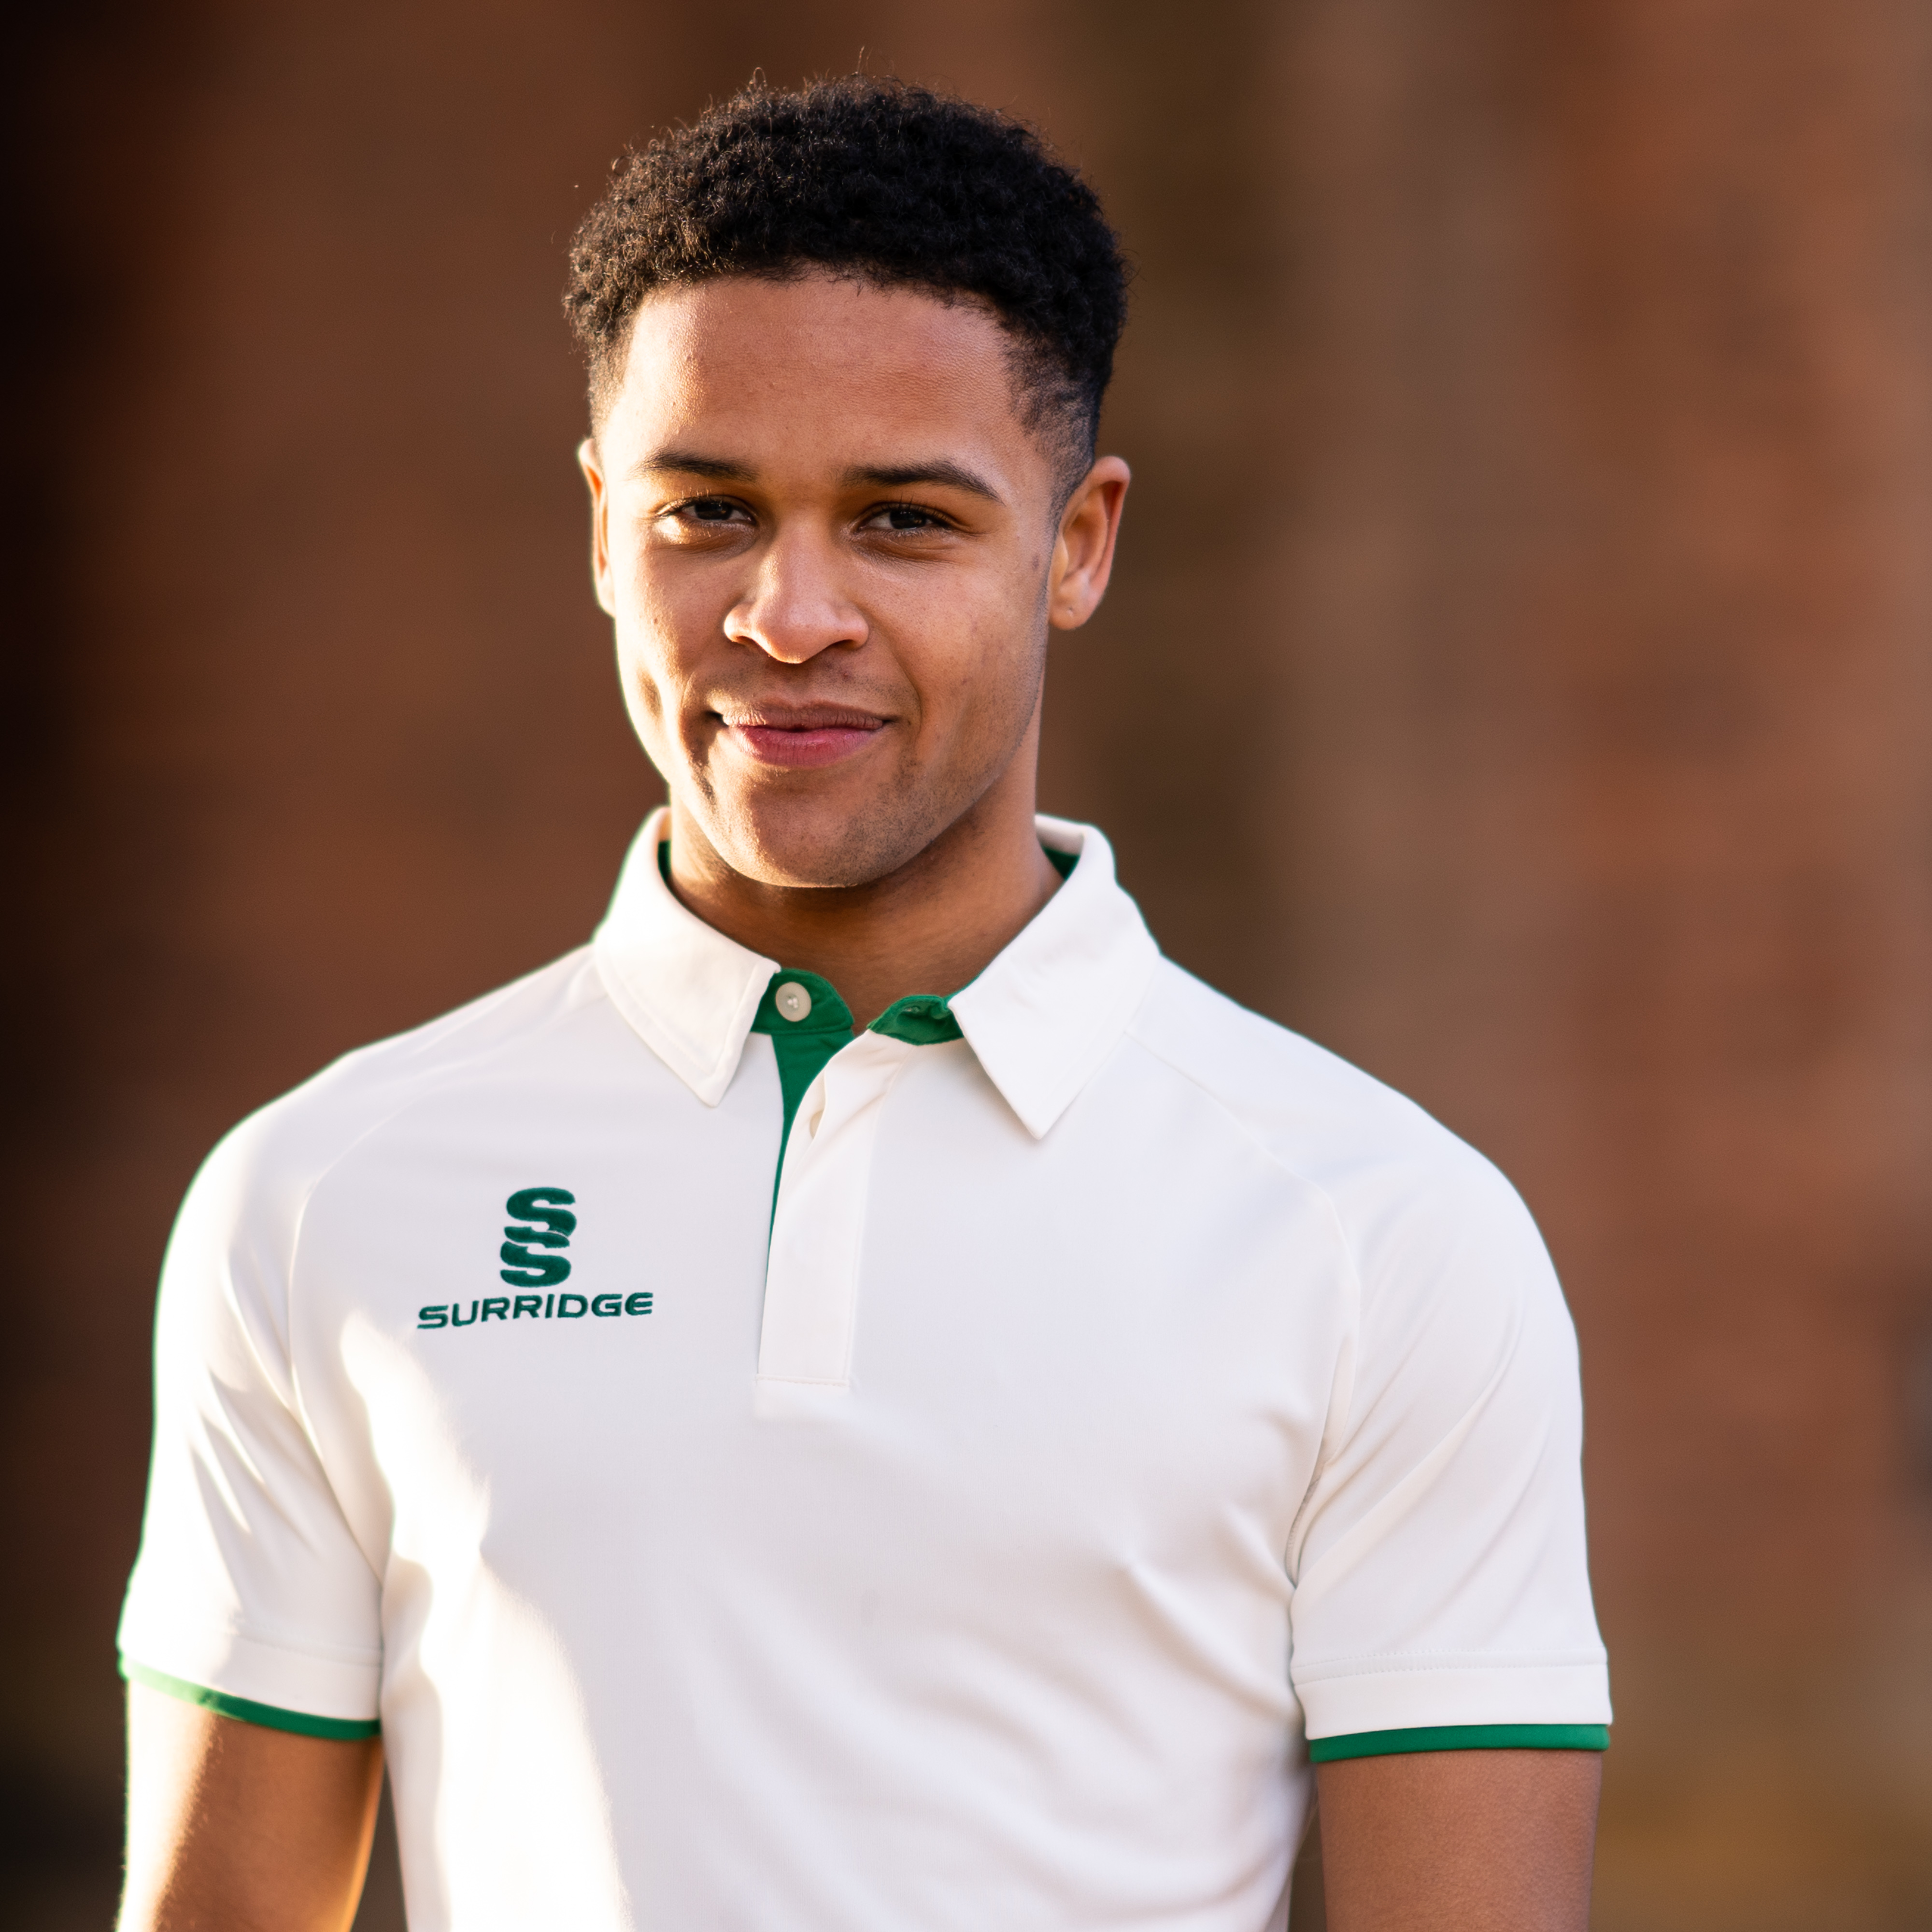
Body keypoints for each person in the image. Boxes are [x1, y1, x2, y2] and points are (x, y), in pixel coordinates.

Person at [116, 75, 1609, 1932]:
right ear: (601, 529)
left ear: (1079, 544)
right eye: (708, 510)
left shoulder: (1384, 1234)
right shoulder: (323, 1192)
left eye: (902, 520)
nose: (788, 613)